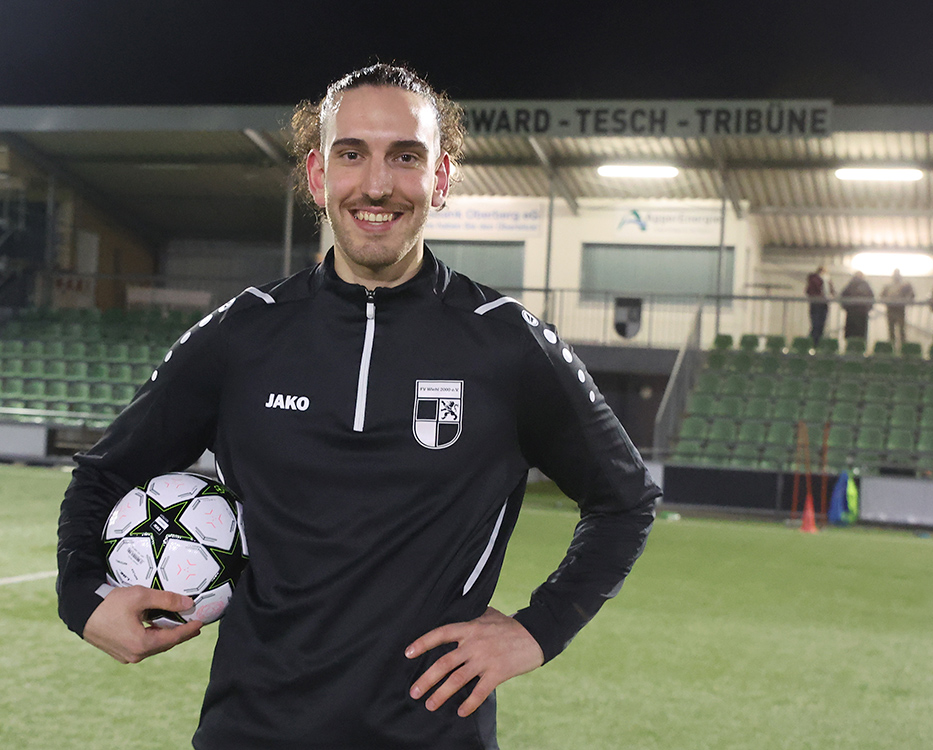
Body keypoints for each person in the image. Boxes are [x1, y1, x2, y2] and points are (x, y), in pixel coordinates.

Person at [56, 64, 659, 750]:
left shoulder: (506, 344)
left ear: (441, 178)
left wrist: (538, 630)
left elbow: (625, 501)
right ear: (318, 176)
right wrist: (83, 599)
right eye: (351, 155)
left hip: (433, 737)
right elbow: (104, 473)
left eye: (406, 157)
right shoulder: (242, 335)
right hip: (251, 732)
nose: (377, 185)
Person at [880, 269, 915, 346]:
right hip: (892, 309)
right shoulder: (889, 286)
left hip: (899, 309)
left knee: (900, 330)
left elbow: (911, 295)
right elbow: (882, 296)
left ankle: (902, 348)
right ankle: (892, 347)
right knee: (892, 331)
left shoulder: (904, 286)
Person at [839, 270, 874, 341]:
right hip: (861, 312)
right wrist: (868, 308)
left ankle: (850, 345)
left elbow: (843, 296)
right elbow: (871, 297)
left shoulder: (850, 284)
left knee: (851, 333)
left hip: (852, 312)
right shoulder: (865, 285)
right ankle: (860, 345)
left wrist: (846, 307)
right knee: (860, 333)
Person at [804, 265, 834, 346]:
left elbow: (831, 291)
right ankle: (814, 343)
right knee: (816, 325)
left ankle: (816, 343)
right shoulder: (815, 280)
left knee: (821, 325)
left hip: (823, 304)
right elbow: (810, 291)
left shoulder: (827, 280)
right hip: (817, 304)